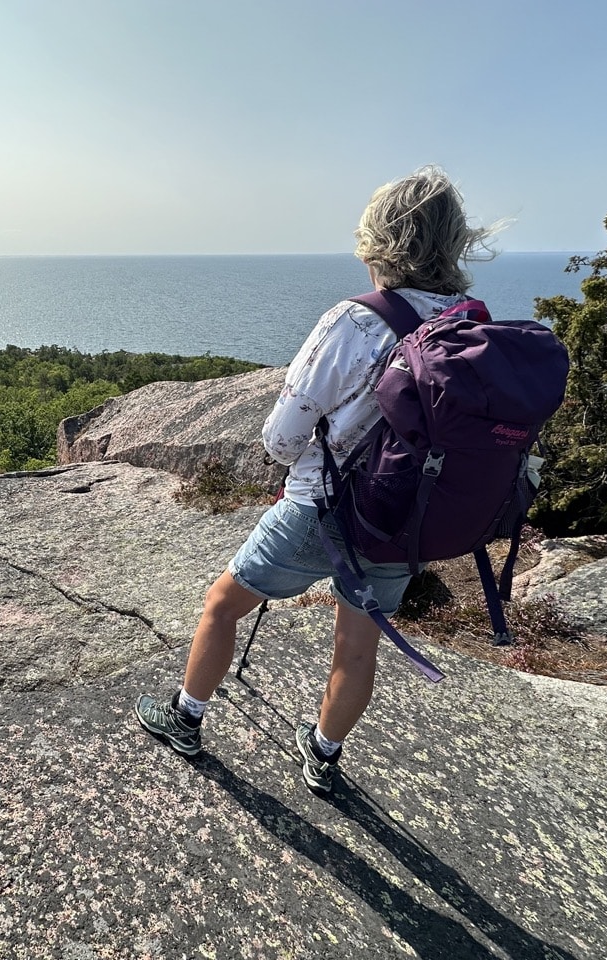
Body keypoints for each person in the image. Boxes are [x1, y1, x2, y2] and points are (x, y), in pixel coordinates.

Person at [134, 166, 496, 794]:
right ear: (455, 243)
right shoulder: (470, 325)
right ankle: (324, 757)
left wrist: (298, 457)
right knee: (358, 644)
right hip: (404, 517)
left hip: (321, 509)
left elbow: (282, 436)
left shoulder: (355, 321)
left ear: (377, 240)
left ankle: (185, 718)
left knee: (224, 605)